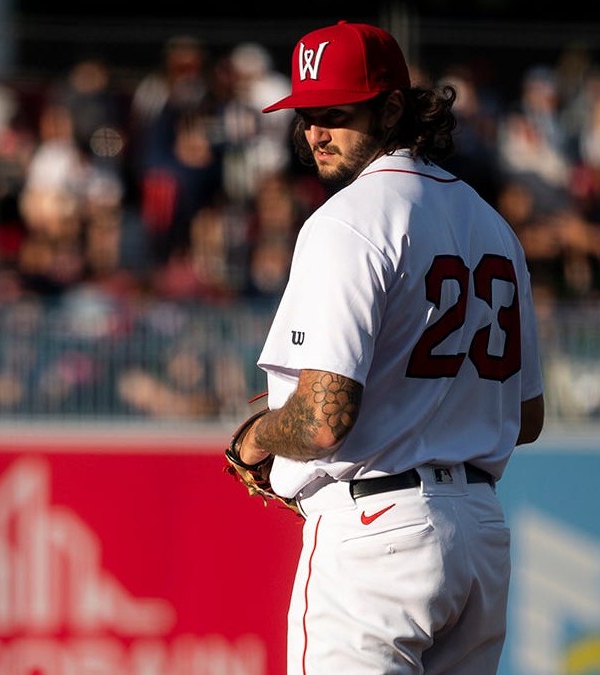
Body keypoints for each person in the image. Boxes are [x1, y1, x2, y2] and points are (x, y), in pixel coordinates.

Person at [230, 20, 546, 674]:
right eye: (306, 114)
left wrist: (258, 437)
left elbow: (321, 420)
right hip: (478, 535)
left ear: (393, 108)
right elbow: (529, 415)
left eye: (336, 114)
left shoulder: (347, 221)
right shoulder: (493, 227)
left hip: (377, 535)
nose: (315, 131)